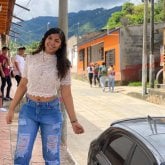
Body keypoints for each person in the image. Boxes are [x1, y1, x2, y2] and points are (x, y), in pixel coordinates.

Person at [6, 27, 84, 165]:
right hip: (29, 110)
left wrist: (74, 121)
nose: (52, 43)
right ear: (44, 39)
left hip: (51, 113)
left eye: (57, 41)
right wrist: (11, 109)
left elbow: (66, 93)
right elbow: (23, 85)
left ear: (61, 45)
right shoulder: (30, 58)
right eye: (50, 38)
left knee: (52, 157)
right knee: (21, 155)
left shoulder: (64, 65)